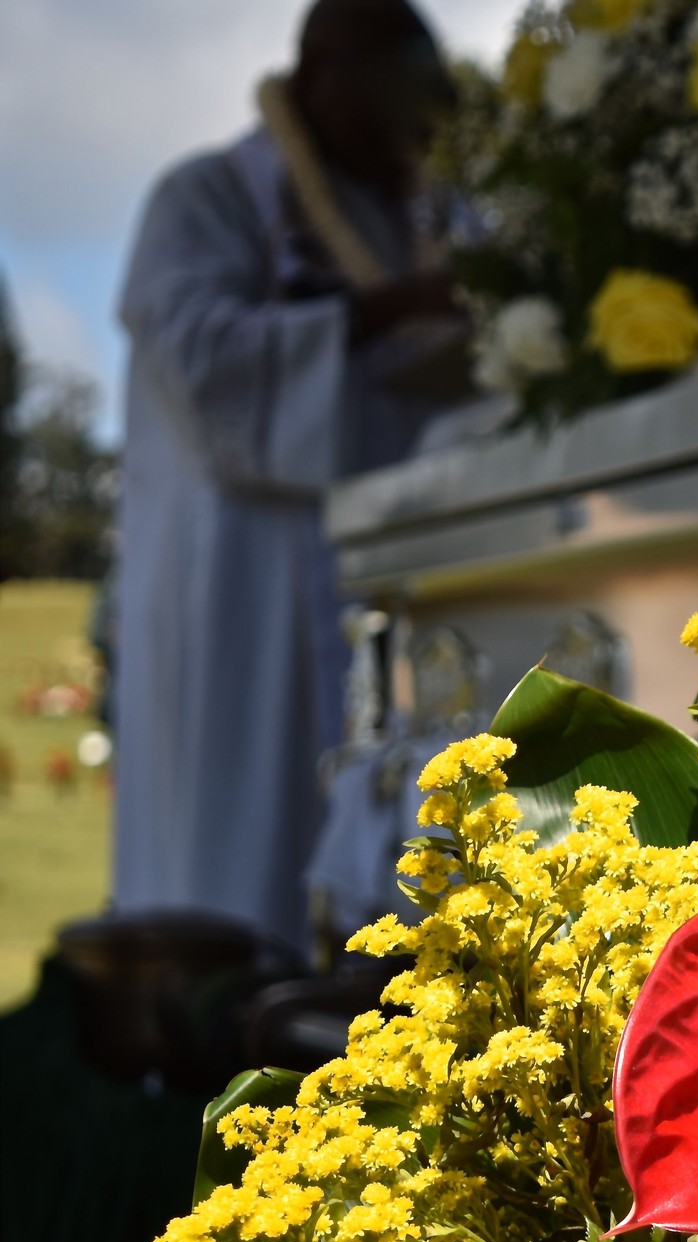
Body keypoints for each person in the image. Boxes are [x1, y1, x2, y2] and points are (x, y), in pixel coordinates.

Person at [112, 0, 466, 950]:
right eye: (395, 108)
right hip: (239, 581)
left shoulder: (422, 209)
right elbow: (201, 361)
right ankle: (212, 1004)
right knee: (240, 822)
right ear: (326, 75)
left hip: (393, 564)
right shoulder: (207, 198)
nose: (412, 141)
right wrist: (388, 311)